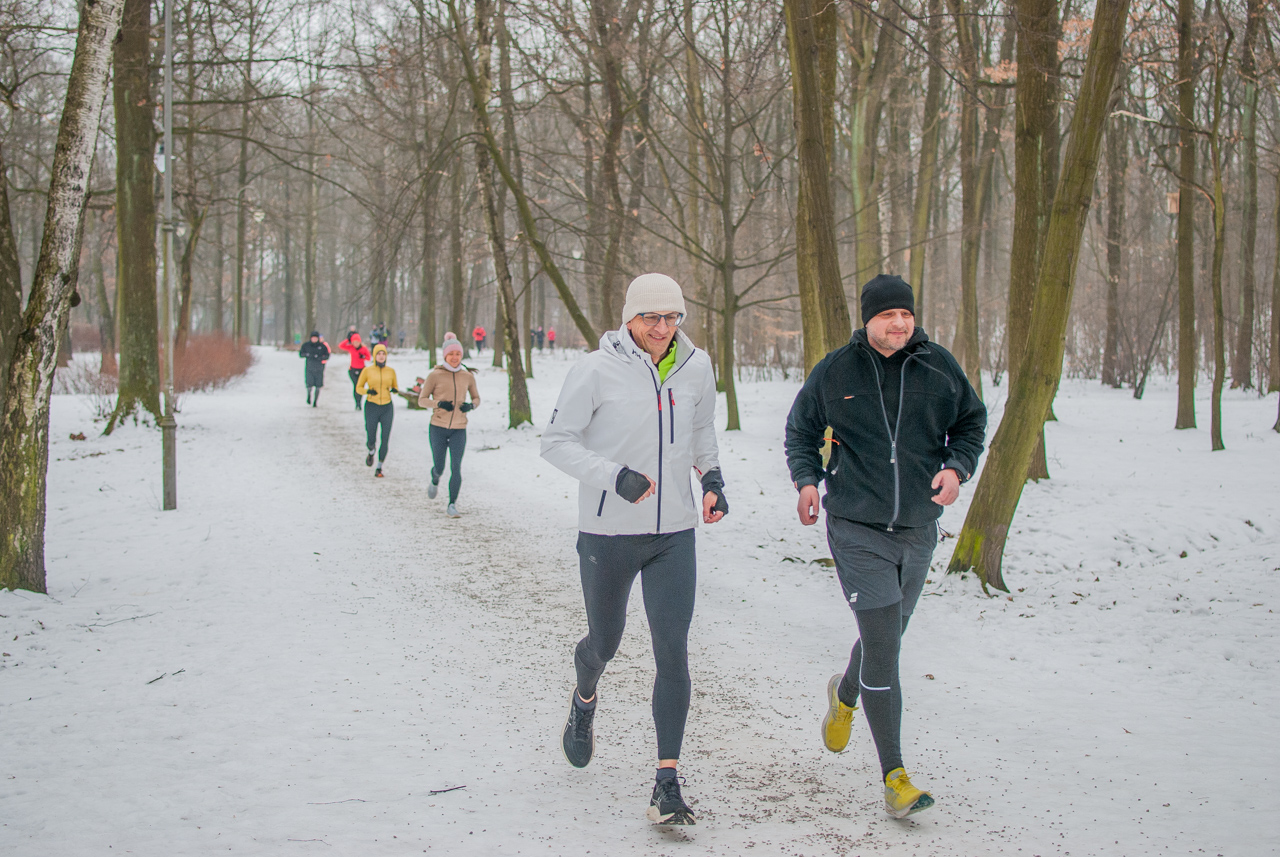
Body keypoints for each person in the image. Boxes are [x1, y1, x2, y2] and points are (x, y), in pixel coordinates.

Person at [784, 274, 986, 819]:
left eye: (906, 314)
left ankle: (845, 694)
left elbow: (971, 423)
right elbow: (801, 431)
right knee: (885, 645)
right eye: (887, 315)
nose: (899, 323)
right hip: (856, 526)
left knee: (887, 636)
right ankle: (895, 777)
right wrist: (808, 480)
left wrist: (957, 468)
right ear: (867, 319)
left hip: (920, 527)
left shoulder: (939, 366)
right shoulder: (837, 370)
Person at [541, 273, 727, 827]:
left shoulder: (697, 365)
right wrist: (613, 476)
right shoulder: (594, 370)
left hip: (674, 534)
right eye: (651, 318)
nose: (663, 329)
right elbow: (555, 442)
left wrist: (712, 477)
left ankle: (666, 782)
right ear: (629, 318)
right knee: (607, 640)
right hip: (608, 535)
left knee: (673, 651)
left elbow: (701, 430)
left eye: (672, 318)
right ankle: (584, 693)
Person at [418, 336, 481, 518]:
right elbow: (422, 400)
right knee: (440, 465)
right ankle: (435, 477)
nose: (455, 357)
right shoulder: (434, 375)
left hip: (459, 429)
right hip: (437, 427)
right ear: (445, 356)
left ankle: (452, 504)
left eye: (458, 354)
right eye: (451, 354)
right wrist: (438, 404)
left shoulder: (467, 376)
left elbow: (477, 398)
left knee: (456, 467)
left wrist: (471, 406)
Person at [356, 343, 399, 477]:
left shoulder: (391, 371)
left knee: (385, 438)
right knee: (371, 436)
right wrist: (368, 391)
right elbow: (358, 388)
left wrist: (394, 390)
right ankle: (371, 450)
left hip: (387, 407)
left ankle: (379, 467)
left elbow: (395, 386)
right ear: (375, 356)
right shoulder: (367, 371)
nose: (381, 356)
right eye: (379, 354)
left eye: (383, 354)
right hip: (372, 406)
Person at [338, 332, 372, 410]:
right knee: (356, 386)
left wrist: (362, 356)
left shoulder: (364, 348)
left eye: (357, 342)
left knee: (360, 387)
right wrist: (348, 339)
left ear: (360, 342)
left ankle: (359, 402)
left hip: (362, 370)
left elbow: (368, 358)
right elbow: (341, 346)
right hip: (352, 370)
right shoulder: (351, 348)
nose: (355, 344)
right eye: (354, 342)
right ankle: (357, 403)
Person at [299, 330, 330, 406]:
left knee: (318, 386)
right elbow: (301, 354)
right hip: (309, 368)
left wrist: (320, 358)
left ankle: (315, 401)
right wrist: (308, 355)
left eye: (316, 338)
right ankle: (309, 396)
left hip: (319, 368)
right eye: (313, 338)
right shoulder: (306, 345)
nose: (314, 339)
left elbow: (327, 356)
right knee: (309, 384)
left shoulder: (322, 346)